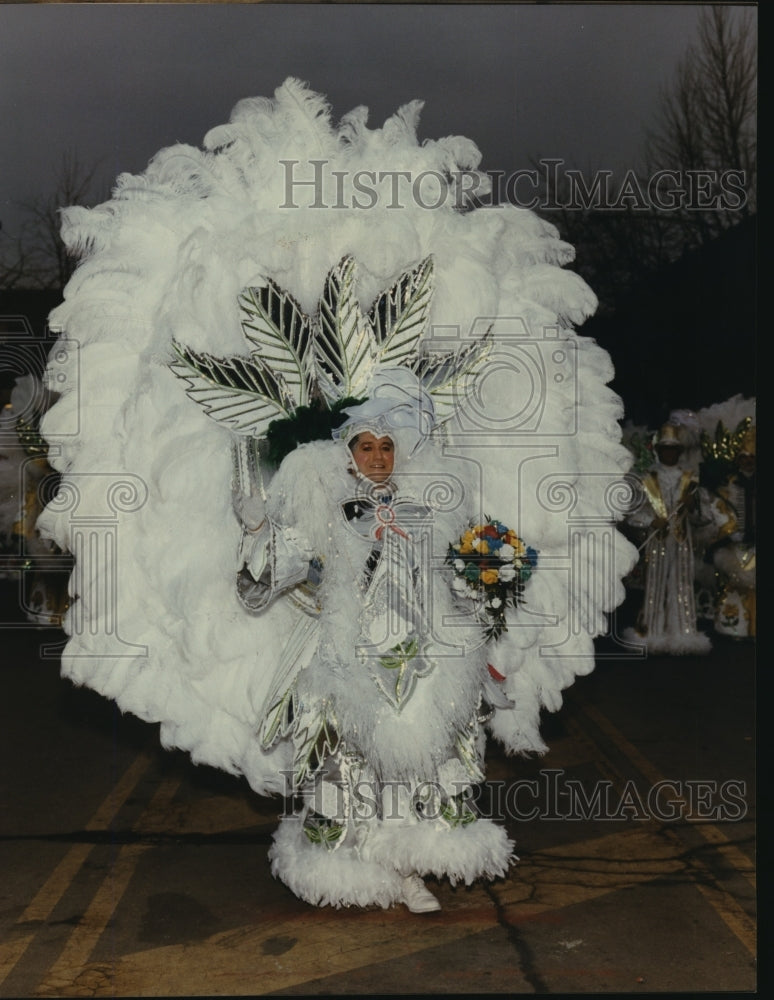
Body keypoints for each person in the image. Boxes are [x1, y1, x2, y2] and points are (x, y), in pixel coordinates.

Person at [624, 423, 711, 655]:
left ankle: (684, 634)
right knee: (654, 586)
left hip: (682, 542)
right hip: (657, 541)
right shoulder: (647, 479)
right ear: (659, 450)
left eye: (673, 449)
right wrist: (651, 521)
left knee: (682, 585)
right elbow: (632, 515)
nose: (669, 453)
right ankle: (651, 632)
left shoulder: (690, 480)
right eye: (665, 448)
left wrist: (693, 508)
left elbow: (705, 518)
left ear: (679, 451)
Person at [708, 425, 755, 639]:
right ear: (738, 459)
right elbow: (720, 512)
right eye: (744, 457)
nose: (748, 461)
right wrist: (729, 533)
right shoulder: (727, 486)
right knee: (737, 579)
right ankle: (735, 627)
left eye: (752, 457)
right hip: (734, 546)